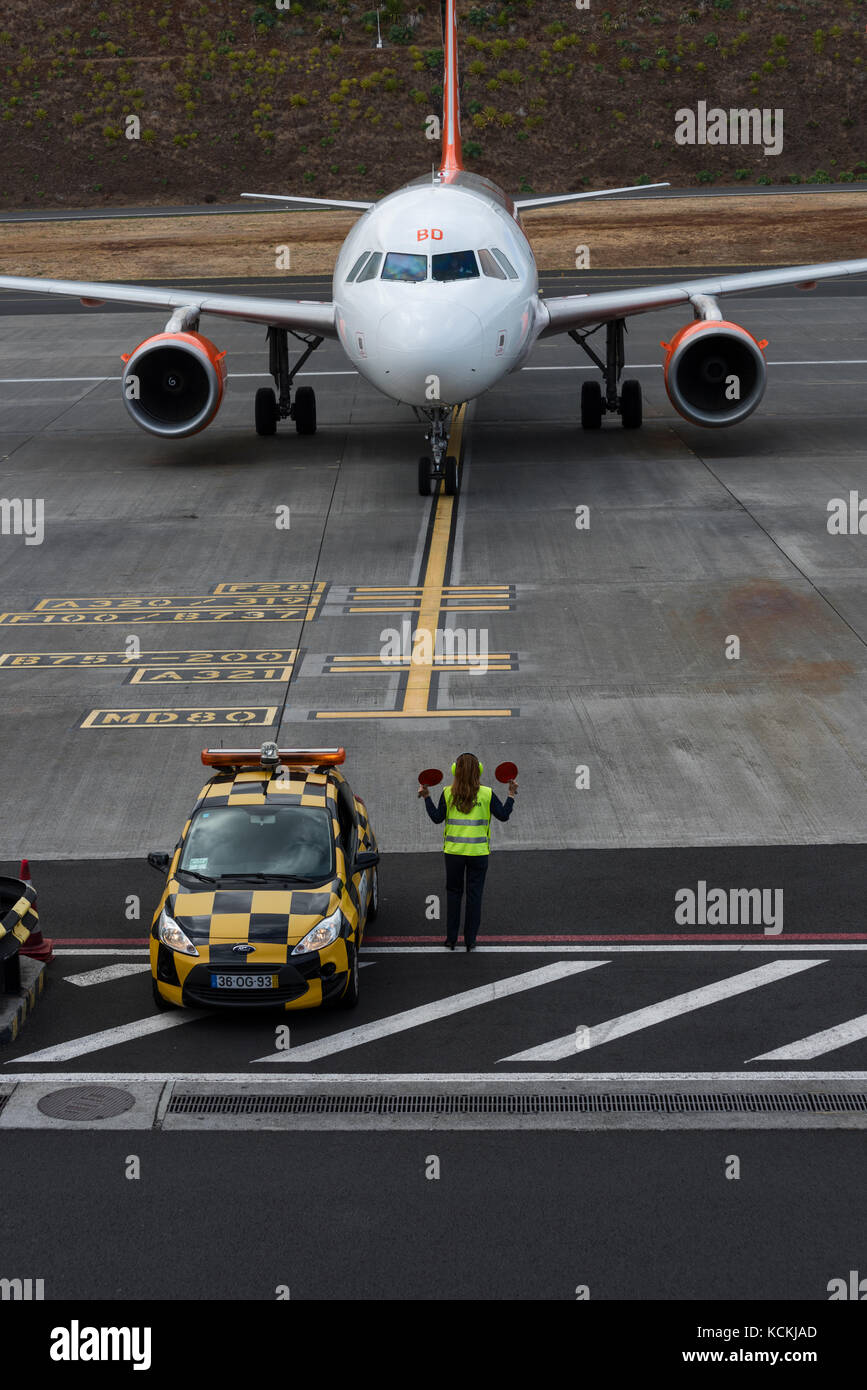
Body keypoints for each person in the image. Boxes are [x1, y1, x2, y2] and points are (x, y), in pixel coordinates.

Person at [418, 752, 517, 951]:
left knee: (453, 894)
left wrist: (427, 797)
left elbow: (437, 818)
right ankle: (470, 941)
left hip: (453, 853)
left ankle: (451, 939)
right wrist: (511, 795)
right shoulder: (487, 794)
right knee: (475, 896)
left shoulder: (447, 793)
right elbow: (504, 816)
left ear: (455, 771)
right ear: (478, 771)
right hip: (479, 854)